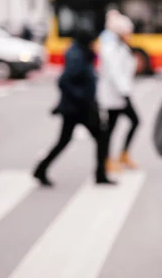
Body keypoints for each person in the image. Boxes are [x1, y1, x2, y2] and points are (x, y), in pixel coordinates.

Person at [33, 28, 115, 186]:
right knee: (101, 137)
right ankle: (100, 175)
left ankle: (41, 169)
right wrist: (82, 99)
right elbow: (64, 81)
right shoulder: (77, 56)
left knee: (65, 141)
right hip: (79, 108)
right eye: (92, 43)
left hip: (77, 108)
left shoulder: (80, 52)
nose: (94, 46)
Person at [97, 14, 140, 172]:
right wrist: (125, 92)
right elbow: (115, 73)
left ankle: (119, 155)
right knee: (114, 127)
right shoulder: (111, 47)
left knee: (116, 127)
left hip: (119, 95)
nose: (130, 36)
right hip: (115, 96)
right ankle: (110, 158)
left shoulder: (121, 46)